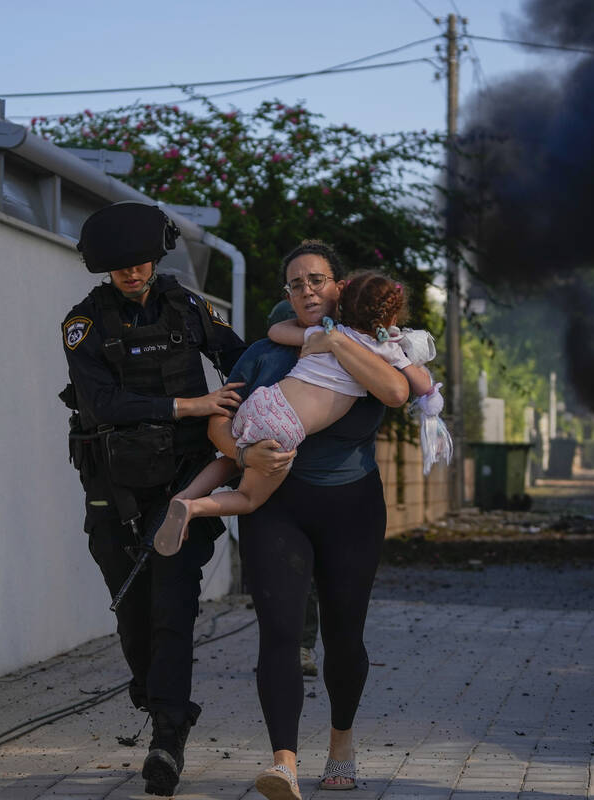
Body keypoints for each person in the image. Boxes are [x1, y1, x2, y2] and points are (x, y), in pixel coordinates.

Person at [211, 240, 413, 800]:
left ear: (339, 287)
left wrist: (334, 342)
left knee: (345, 637)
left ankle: (341, 744)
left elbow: (399, 390)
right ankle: (284, 763)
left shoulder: (374, 346)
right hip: (278, 506)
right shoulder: (261, 353)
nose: (306, 291)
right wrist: (244, 453)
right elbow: (218, 425)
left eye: (317, 280)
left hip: (352, 507)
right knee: (279, 634)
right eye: (296, 283)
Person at [59, 201, 249, 796]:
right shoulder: (83, 324)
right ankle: (155, 694)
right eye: (120, 267)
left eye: (140, 262)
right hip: (114, 489)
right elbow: (102, 405)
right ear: (103, 268)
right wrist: (190, 406)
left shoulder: (188, 305)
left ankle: (167, 738)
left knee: (173, 607)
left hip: (183, 485)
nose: (133, 273)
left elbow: (241, 359)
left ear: (155, 257)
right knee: (132, 609)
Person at [152, 270, 434, 555]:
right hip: (285, 426)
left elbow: (276, 331)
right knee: (249, 498)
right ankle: (193, 508)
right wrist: (408, 356)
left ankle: (185, 495)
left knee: (234, 459)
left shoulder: (326, 333)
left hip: (265, 400)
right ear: (391, 319)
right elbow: (421, 386)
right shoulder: (384, 350)